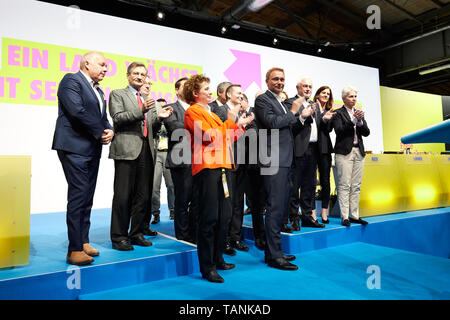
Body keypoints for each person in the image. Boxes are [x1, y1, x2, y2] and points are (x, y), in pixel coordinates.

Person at [184, 74, 253, 283]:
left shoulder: (212, 113)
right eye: (205, 88)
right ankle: (207, 267)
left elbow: (227, 138)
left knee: (224, 216)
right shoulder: (192, 112)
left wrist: (239, 125)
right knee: (209, 218)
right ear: (195, 93)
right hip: (207, 168)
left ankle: (218, 258)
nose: (209, 91)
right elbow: (209, 137)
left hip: (223, 166)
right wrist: (231, 121)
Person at [52, 51, 114, 266]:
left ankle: (83, 241)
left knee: (87, 196)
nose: (106, 69)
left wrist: (109, 130)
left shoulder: (98, 90)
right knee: (78, 195)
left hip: (91, 147)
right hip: (74, 146)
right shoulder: (71, 80)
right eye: (103, 65)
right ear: (87, 63)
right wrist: (100, 131)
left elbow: (102, 117)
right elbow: (76, 111)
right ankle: (74, 249)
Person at [109, 62, 173, 251]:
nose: (139, 77)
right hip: (127, 150)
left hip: (147, 150)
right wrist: (143, 110)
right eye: (136, 73)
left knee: (143, 195)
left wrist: (159, 117)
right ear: (128, 75)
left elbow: (150, 125)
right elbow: (118, 118)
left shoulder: (147, 98)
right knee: (122, 196)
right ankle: (119, 237)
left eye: (143, 74)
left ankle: (136, 233)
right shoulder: (118, 94)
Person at [254, 67, 303, 271]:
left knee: (280, 208)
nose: (280, 82)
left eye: (282, 79)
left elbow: (287, 128)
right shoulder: (263, 100)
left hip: (284, 159)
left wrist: (298, 117)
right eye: (275, 79)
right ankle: (274, 256)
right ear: (267, 81)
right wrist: (293, 112)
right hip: (273, 160)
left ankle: (274, 252)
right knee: (275, 208)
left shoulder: (281, 102)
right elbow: (272, 123)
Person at [285, 78, 325, 230]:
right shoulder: (291, 103)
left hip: (314, 149)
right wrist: (303, 116)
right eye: (305, 86)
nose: (308, 89)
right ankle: (294, 218)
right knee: (294, 187)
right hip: (298, 149)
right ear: (298, 88)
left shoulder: (315, 105)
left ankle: (308, 217)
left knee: (310, 186)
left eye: (310, 86)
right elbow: (290, 125)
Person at [163, 77, 198, 243]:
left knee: (197, 200)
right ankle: (182, 235)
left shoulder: (197, 108)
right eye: (185, 86)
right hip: (181, 160)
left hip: (199, 161)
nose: (189, 89)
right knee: (182, 200)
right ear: (177, 90)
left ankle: (193, 232)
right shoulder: (169, 108)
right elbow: (175, 128)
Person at [332, 86, 370, 227]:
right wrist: (353, 121)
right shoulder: (338, 113)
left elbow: (366, 132)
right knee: (344, 185)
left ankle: (354, 215)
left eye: (355, 96)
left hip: (358, 151)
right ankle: (345, 216)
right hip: (344, 153)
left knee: (356, 185)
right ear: (343, 98)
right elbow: (339, 131)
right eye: (351, 96)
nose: (354, 99)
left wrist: (360, 122)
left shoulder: (358, 113)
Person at [140, 78, 175, 225]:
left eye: (162, 108)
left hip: (167, 153)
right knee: (154, 186)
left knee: (171, 185)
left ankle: (173, 210)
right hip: (155, 153)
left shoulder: (168, 121)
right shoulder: (153, 119)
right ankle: (155, 213)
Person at [312, 86, 336, 223]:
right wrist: (321, 116)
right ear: (318, 94)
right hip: (311, 148)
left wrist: (326, 118)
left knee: (326, 181)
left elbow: (329, 129)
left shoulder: (330, 111)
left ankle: (324, 213)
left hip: (325, 148)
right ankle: (313, 212)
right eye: (323, 93)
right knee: (311, 182)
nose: (326, 95)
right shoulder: (311, 107)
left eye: (328, 94)